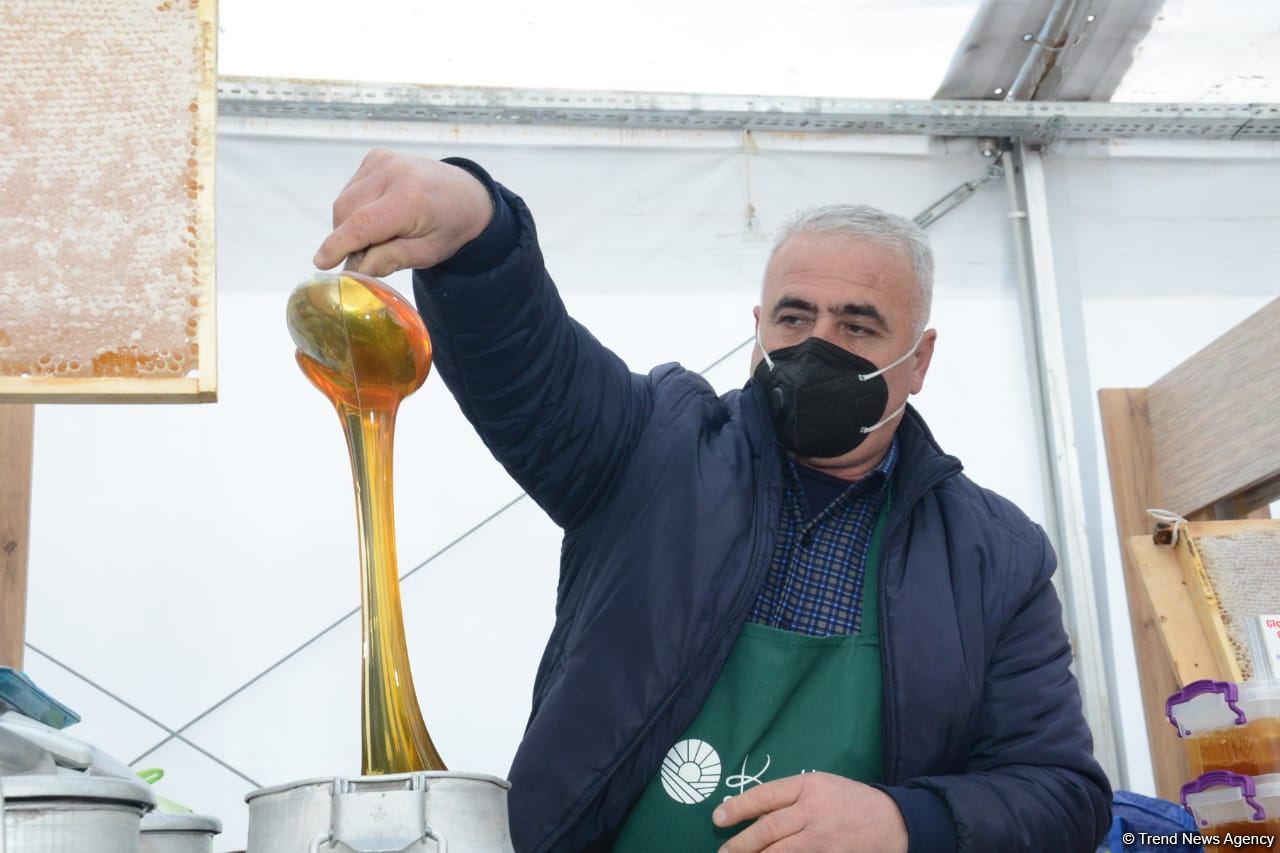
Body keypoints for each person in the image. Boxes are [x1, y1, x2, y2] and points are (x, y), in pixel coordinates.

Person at [314, 150, 1112, 852]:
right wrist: (479, 230)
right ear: (759, 326)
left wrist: (903, 824)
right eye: (796, 316)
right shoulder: (652, 447)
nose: (818, 344)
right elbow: (533, 368)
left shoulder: (992, 554)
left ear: (919, 357)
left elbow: (1061, 793)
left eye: (859, 325)